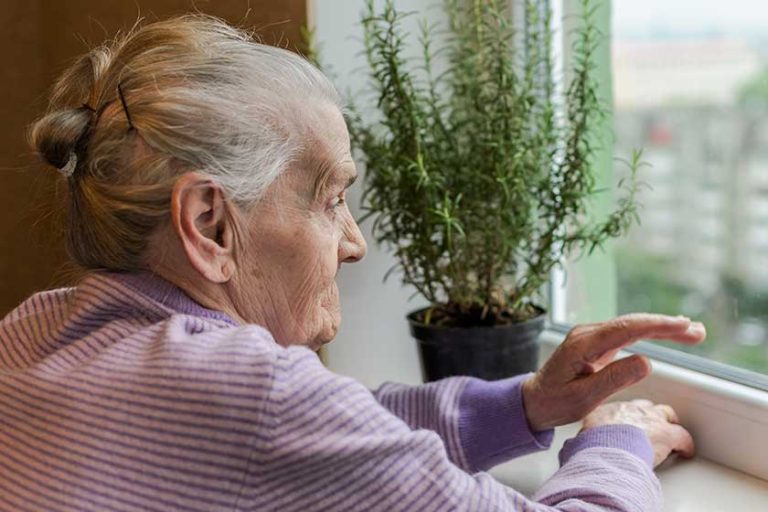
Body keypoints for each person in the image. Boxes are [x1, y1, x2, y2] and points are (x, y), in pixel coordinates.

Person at [0, 15, 706, 512]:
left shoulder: (33, 333)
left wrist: (526, 405)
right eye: (332, 197)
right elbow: (284, 417)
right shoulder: (251, 394)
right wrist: (615, 444)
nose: (354, 241)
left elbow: (340, 429)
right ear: (210, 224)